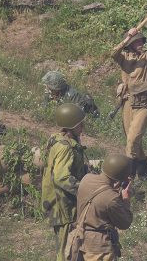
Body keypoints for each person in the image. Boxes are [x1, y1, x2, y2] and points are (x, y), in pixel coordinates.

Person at [111, 11, 147, 179]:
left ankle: (127, 182)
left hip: (143, 105)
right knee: (133, 142)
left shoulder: (146, 57)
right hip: (128, 104)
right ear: (130, 44)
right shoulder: (124, 58)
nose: (140, 43)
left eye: (141, 40)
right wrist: (127, 37)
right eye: (136, 41)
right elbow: (113, 53)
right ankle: (144, 174)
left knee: (132, 142)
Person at [41, 103, 88, 261]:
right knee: (66, 250)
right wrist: (84, 189)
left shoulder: (57, 139)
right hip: (63, 206)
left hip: (60, 202)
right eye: (80, 123)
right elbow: (61, 177)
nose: (83, 126)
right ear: (71, 126)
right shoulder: (66, 148)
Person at [74, 154, 133, 261]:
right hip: (98, 248)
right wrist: (126, 199)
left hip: (78, 239)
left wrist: (113, 188)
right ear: (122, 177)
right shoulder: (112, 198)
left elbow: (100, 193)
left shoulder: (86, 179)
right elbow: (125, 223)